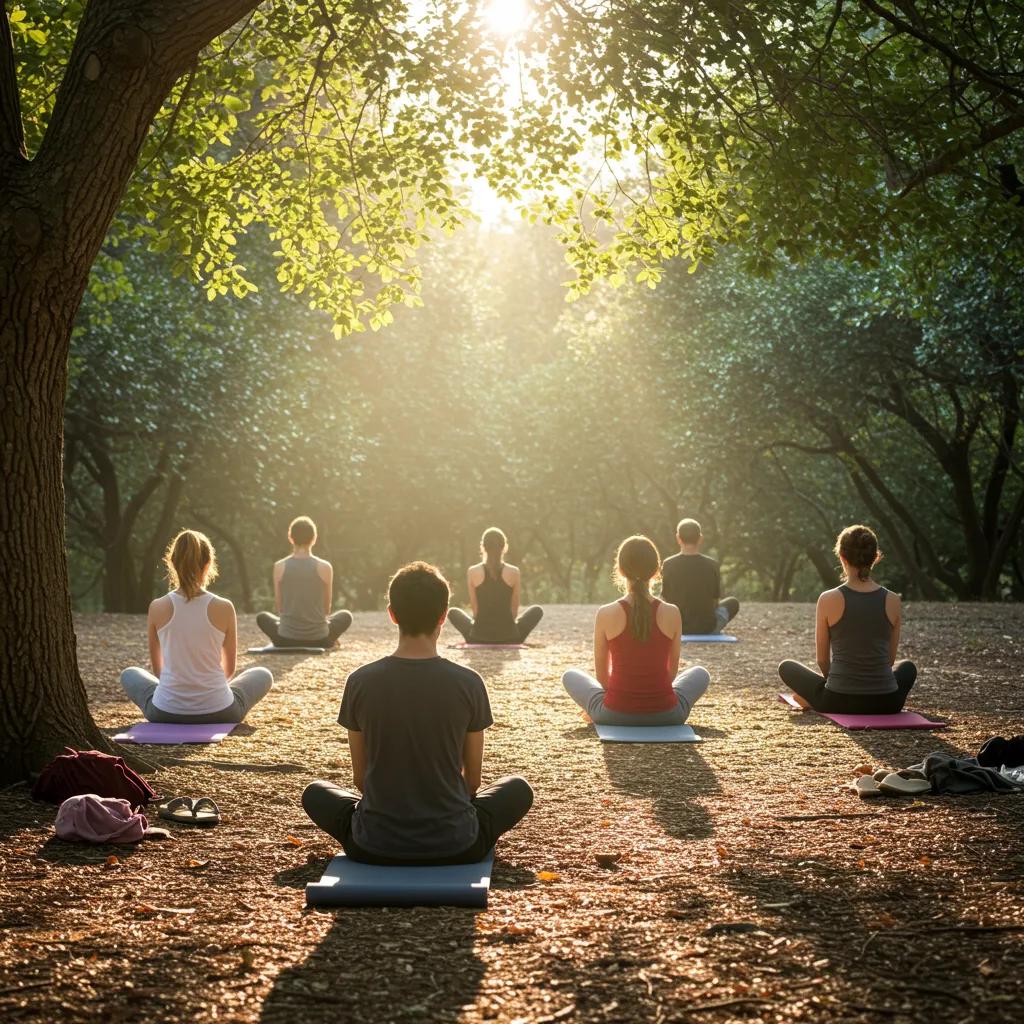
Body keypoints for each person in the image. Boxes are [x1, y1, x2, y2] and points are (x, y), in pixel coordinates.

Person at [303, 561, 533, 864]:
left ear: (392, 614)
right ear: (443, 617)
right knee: (517, 789)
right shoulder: (469, 683)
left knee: (315, 793)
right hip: (458, 845)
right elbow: (472, 783)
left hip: (372, 845)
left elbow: (361, 779)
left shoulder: (359, 681)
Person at [120, 530, 273, 723]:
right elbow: (229, 670)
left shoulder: (157, 607)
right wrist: (205, 691)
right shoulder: (224, 607)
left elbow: (159, 672)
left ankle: (176, 699)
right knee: (262, 674)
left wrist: (181, 689)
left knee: (129, 674)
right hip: (221, 710)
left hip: (165, 712)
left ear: (172, 563)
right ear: (208, 564)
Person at [562, 535, 710, 726]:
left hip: (613, 714)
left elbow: (602, 678)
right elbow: (670, 673)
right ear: (656, 571)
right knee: (700, 673)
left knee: (570, 675)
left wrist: (618, 703)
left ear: (621, 571)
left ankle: (598, 710)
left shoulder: (606, 613)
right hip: (668, 714)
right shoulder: (672, 613)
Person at [778, 524, 917, 713]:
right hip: (888, 703)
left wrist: (836, 683)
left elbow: (822, 661)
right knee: (907, 667)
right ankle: (815, 698)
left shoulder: (828, 599)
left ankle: (813, 699)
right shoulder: (893, 600)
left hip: (838, 701)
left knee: (786, 667)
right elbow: (890, 660)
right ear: (875, 557)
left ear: (841, 556)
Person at [256, 515, 353, 648]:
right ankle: (330, 639)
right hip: (320, 639)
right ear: (314, 539)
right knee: (346, 616)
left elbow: (280, 607)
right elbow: (326, 609)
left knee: (262, 617)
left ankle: (289, 632)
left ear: (290, 538)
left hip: (285, 639)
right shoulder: (325, 567)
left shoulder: (279, 566)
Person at [446, 527, 543, 644]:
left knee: (453, 612)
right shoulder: (514, 572)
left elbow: (476, 611)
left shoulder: (472, 572)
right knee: (537, 610)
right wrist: (506, 629)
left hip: (478, 637)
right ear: (505, 547)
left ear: (483, 547)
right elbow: (514, 610)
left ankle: (477, 634)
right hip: (510, 637)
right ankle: (510, 634)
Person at [660, 518, 739, 634]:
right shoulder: (713, 565)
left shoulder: (668, 564)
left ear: (678, 538)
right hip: (707, 628)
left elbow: (665, 599)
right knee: (733, 602)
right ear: (700, 538)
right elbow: (715, 602)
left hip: (677, 627)